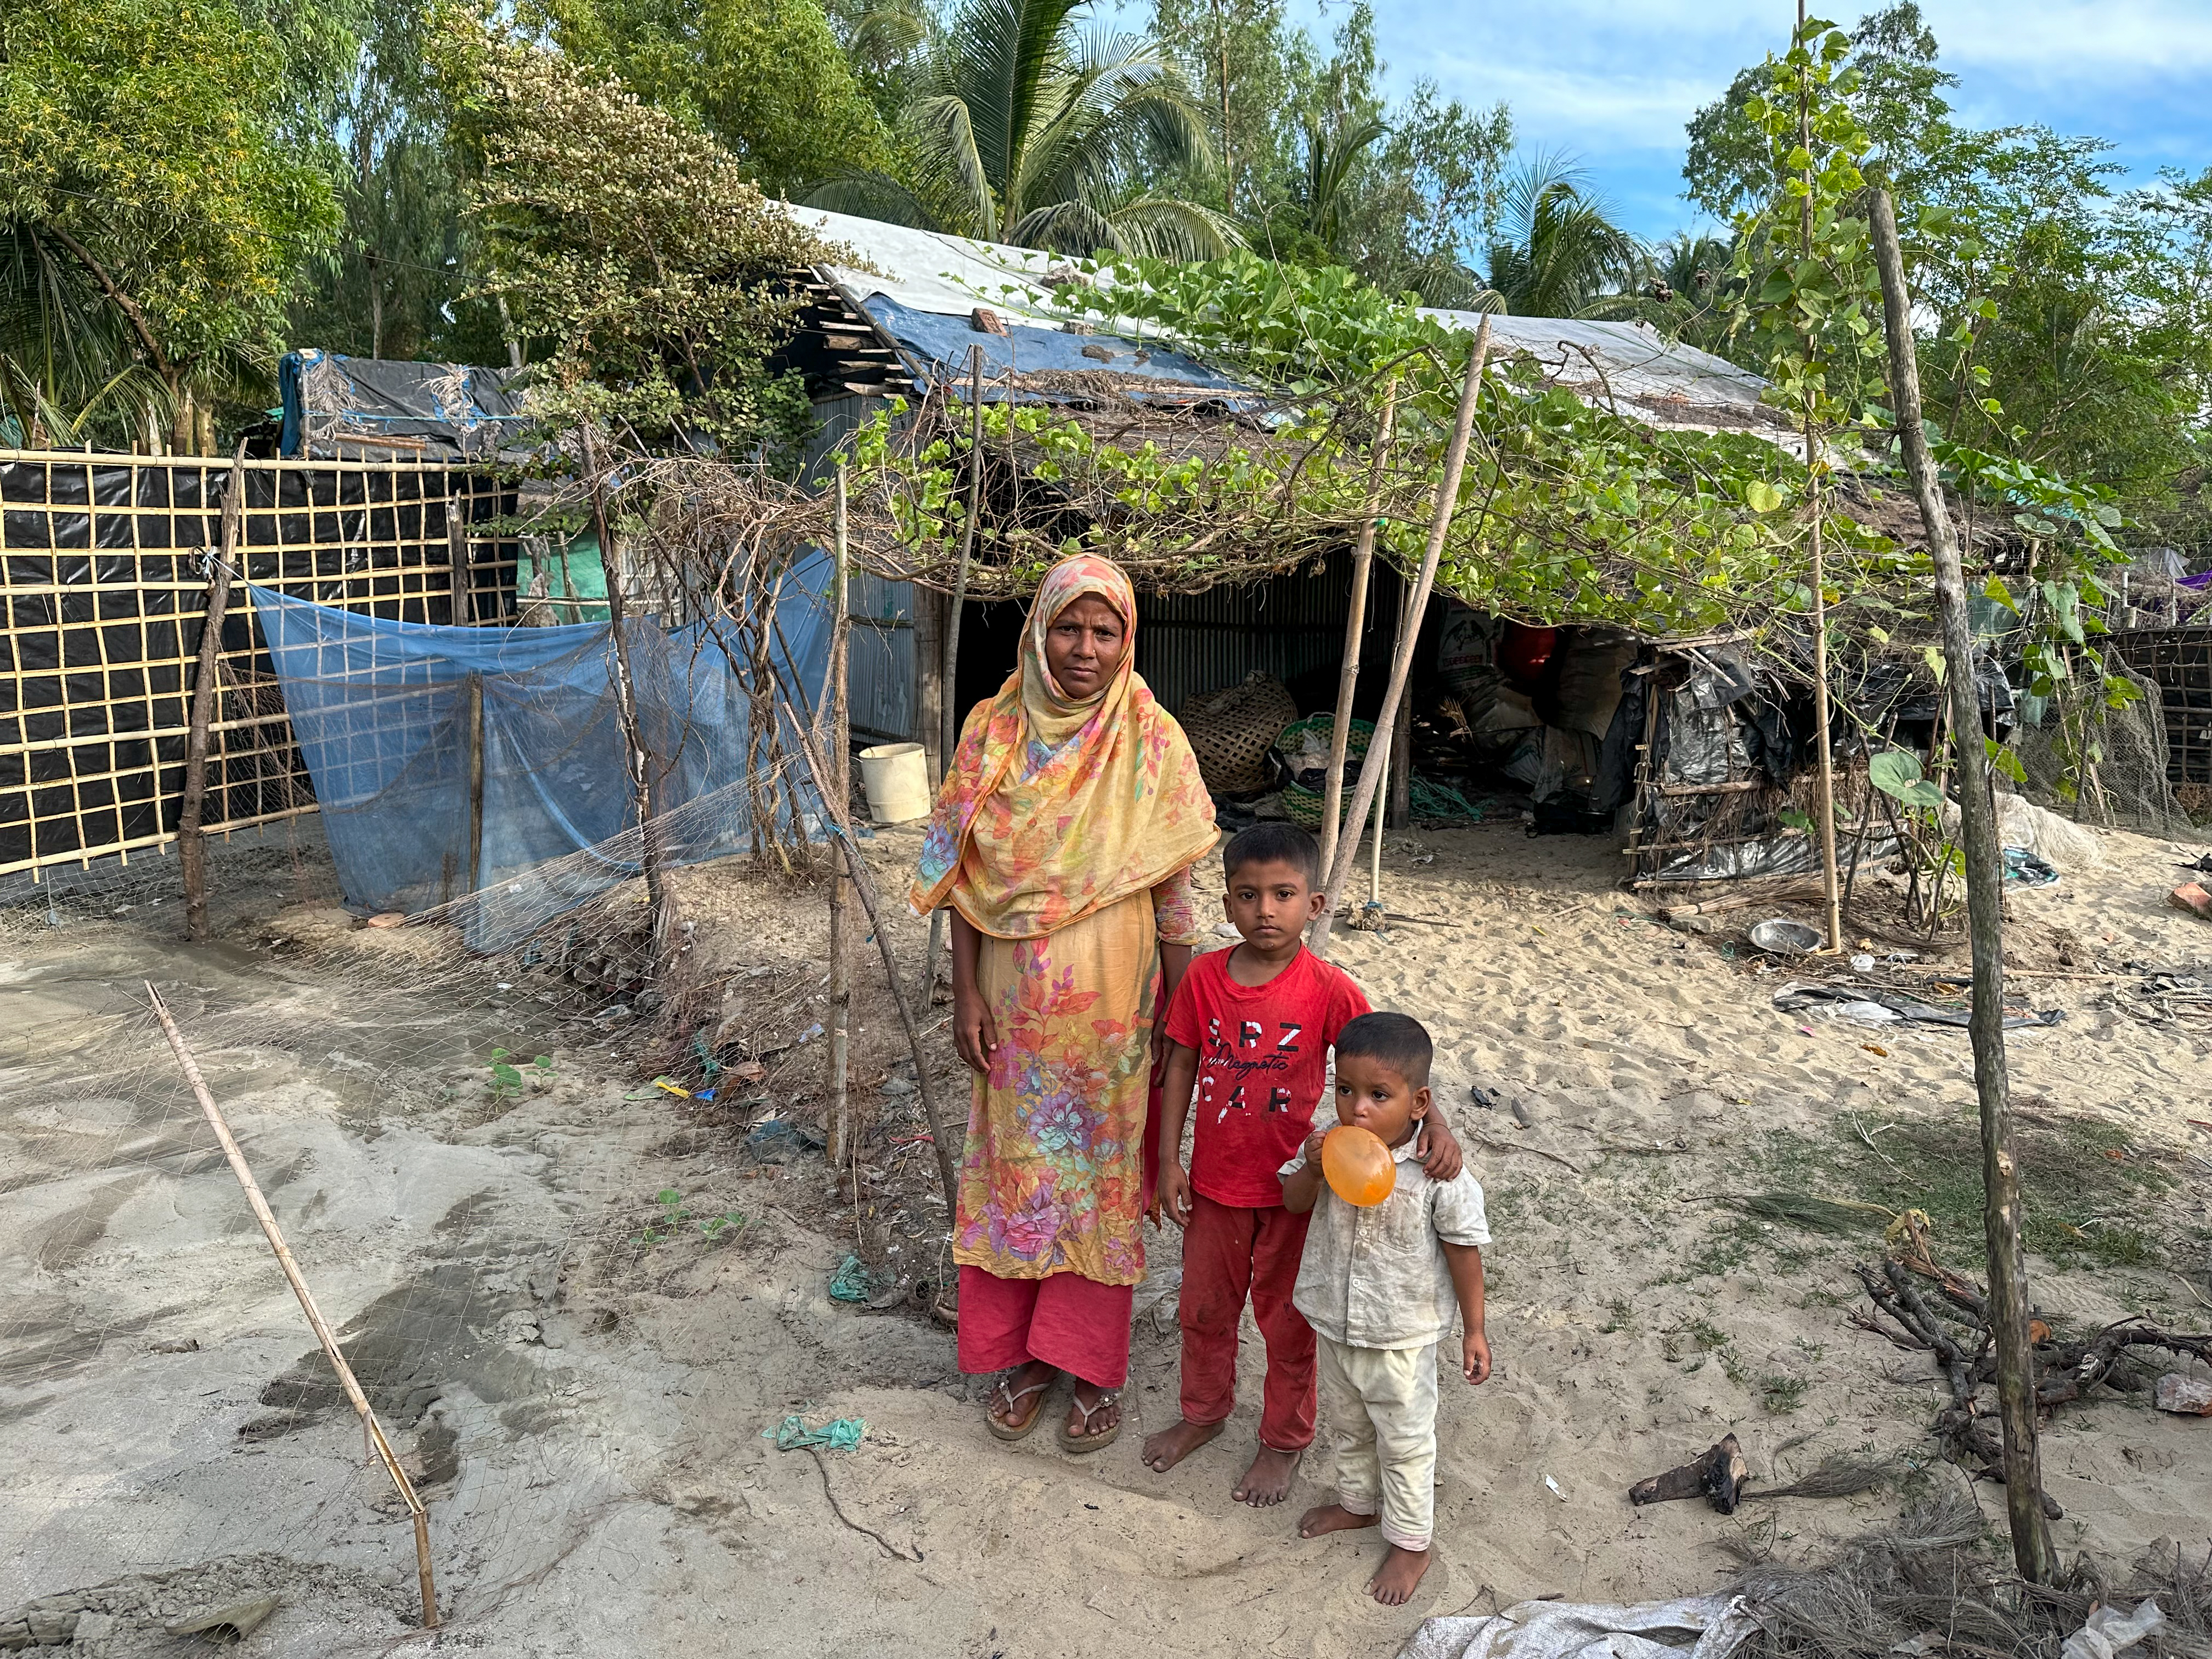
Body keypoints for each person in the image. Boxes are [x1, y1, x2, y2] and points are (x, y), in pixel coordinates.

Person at [910, 554, 1217, 1454]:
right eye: (1068, 627)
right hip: (1010, 1010)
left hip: (1117, 1013)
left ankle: (1088, 1366)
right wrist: (964, 987)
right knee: (1017, 1175)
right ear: (1038, 629)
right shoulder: (992, 729)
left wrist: (1180, 1012)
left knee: (1100, 1184)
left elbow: (1177, 894)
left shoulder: (1151, 738)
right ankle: (1025, 1359)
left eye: (1104, 630)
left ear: (1129, 638)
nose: (1085, 649)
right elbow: (962, 873)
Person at [1142, 824, 1462, 1506]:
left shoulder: (1328, 989)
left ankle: (1282, 1442)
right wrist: (1169, 1160)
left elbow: (1389, 1066)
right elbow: (1179, 1067)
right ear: (1226, 905)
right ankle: (1203, 1414)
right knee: (1203, 1311)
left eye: (1284, 894)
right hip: (1213, 1187)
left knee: (1287, 1321)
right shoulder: (1202, 978)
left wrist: (1435, 1122)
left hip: (1299, 1191)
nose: (1266, 910)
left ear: (1313, 906)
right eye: (1249, 895)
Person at [1280, 1012, 1491, 1607]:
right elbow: (1292, 1201)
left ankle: (1412, 1543)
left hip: (1400, 1335)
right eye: (1345, 1090)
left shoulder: (1437, 1171)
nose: (1358, 1109)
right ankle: (1357, 1505)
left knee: (1404, 1441)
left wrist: (1474, 1331)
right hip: (1336, 1320)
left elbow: (1463, 1252)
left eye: (1379, 1095)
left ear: (1420, 1101)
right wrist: (1313, 1168)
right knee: (1348, 1427)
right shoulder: (1326, 1144)